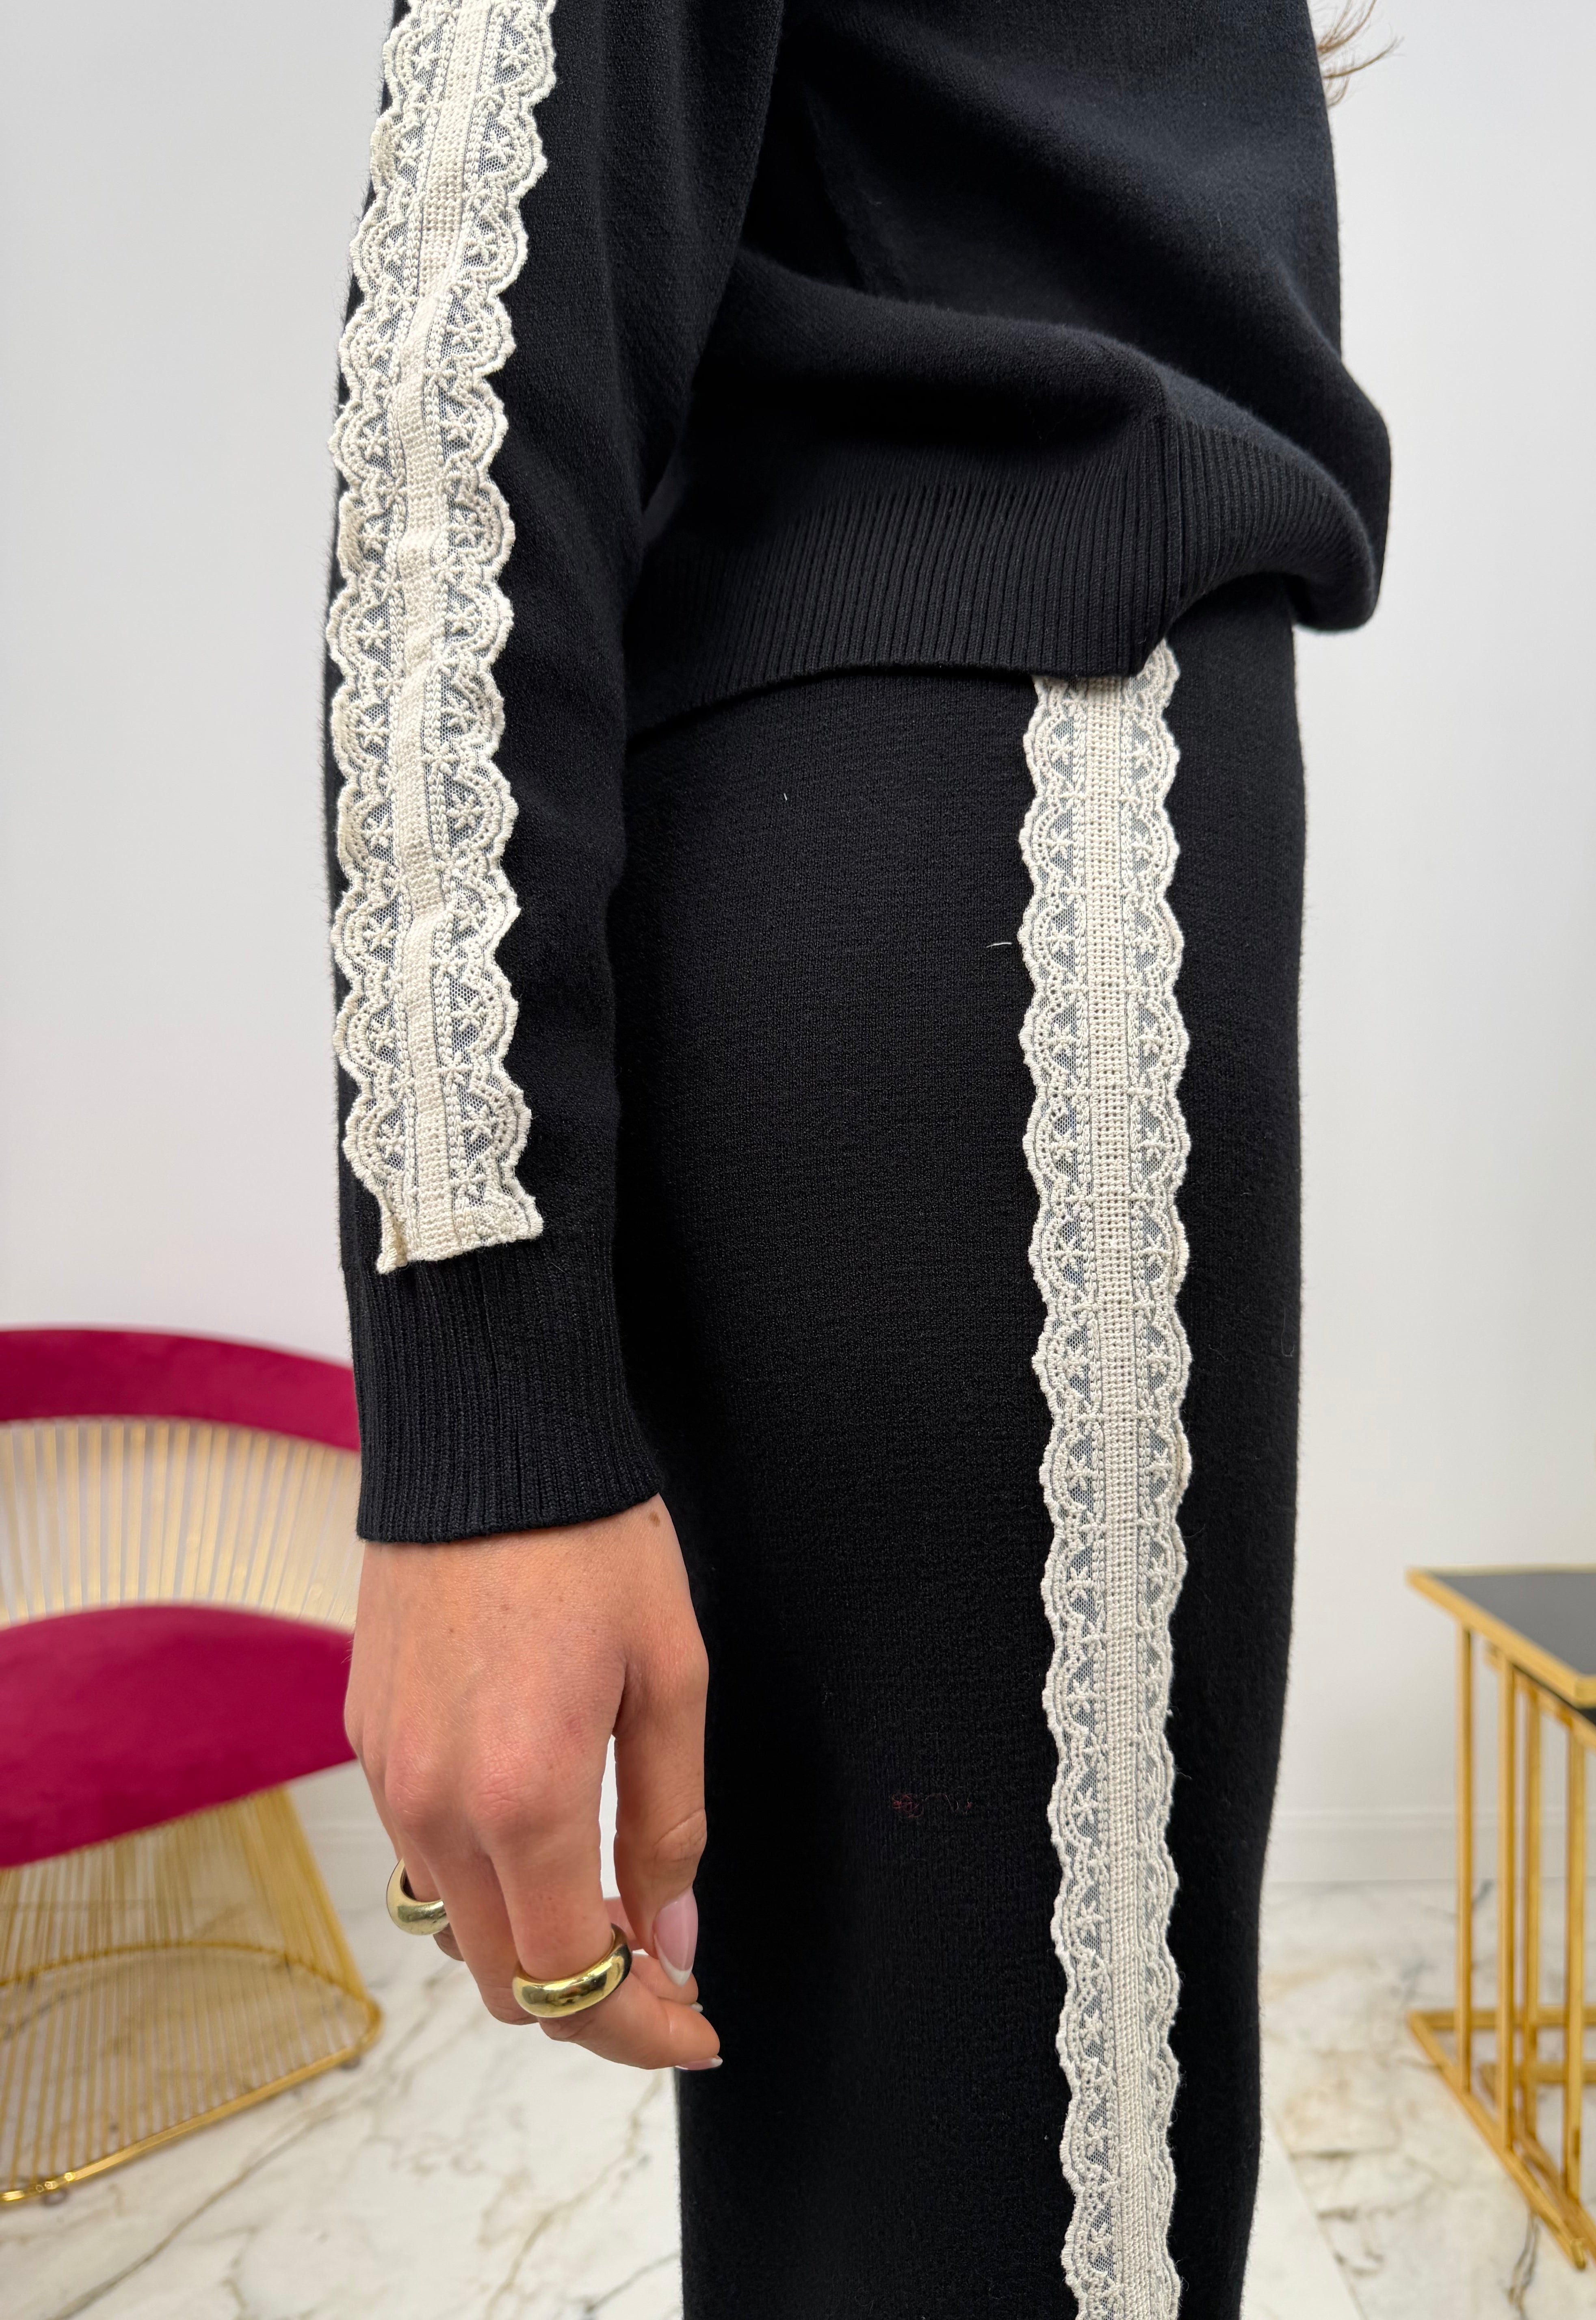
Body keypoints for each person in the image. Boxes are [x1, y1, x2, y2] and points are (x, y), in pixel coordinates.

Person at [326, 3, 1389, 2313]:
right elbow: (467, 342)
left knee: (927, 2196)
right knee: (1003, 2223)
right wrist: (478, 1405)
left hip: (1003, 834)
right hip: (1007, 839)